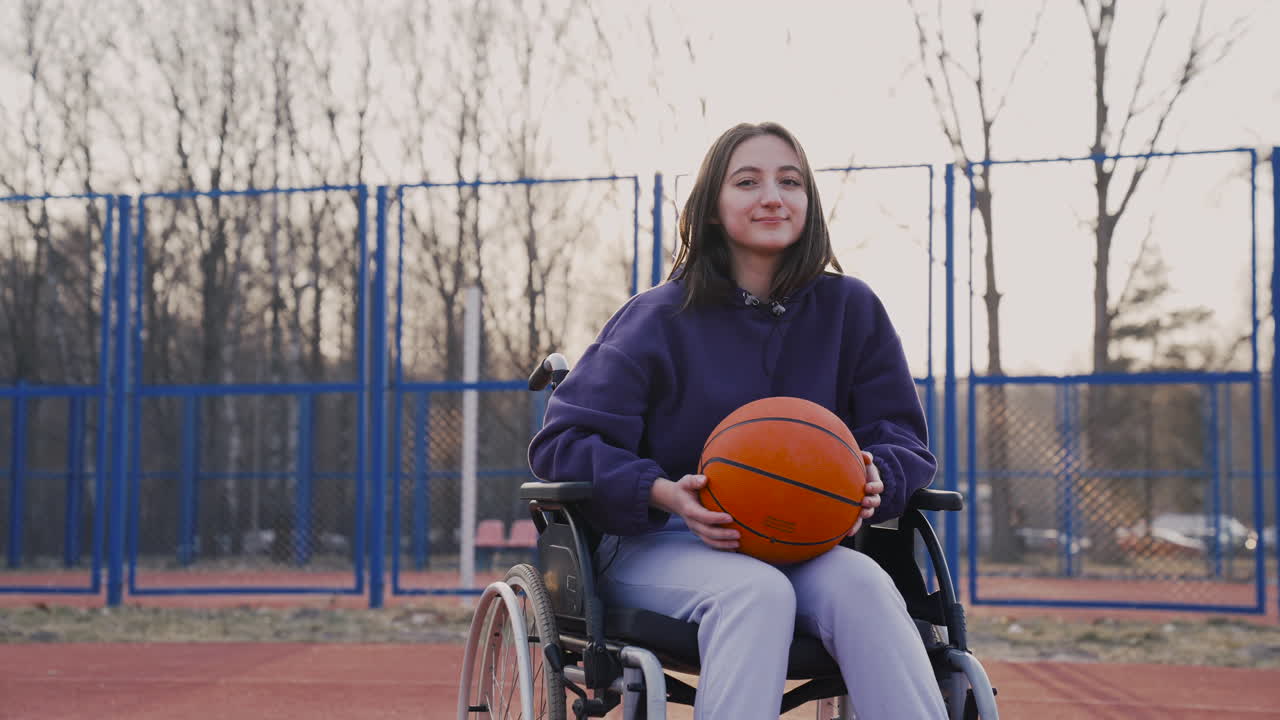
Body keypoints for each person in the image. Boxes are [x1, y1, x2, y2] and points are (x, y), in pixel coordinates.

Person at [528, 121, 946, 719]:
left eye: (790, 181)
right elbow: (564, 443)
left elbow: (901, 438)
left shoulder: (852, 310)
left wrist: (880, 476)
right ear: (714, 208)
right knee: (755, 593)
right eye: (747, 181)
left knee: (867, 587)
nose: (772, 196)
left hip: (802, 539)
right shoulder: (658, 317)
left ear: (809, 202)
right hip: (660, 541)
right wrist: (662, 492)